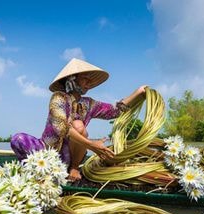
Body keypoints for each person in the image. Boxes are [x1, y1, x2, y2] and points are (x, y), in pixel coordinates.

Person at [10, 58, 147, 181]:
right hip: (46, 152)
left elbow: (114, 111)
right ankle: (33, 173)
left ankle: (74, 168)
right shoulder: (58, 98)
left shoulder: (89, 104)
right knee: (17, 139)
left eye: (89, 80)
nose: (89, 83)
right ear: (72, 79)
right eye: (85, 79)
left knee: (79, 125)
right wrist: (92, 145)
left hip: (67, 158)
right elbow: (62, 128)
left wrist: (138, 93)